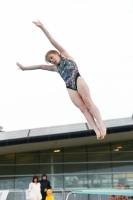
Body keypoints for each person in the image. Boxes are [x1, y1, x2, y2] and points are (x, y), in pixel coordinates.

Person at [16, 20, 106, 140]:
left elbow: (52, 41)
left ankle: (101, 125)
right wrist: (24, 68)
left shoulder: (65, 55)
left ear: (56, 53)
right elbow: (39, 66)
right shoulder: (55, 68)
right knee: (82, 108)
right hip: (69, 86)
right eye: (49, 60)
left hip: (77, 78)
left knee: (88, 102)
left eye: (51, 58)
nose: (51, 61)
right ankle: (96, 129)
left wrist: (42, 27)